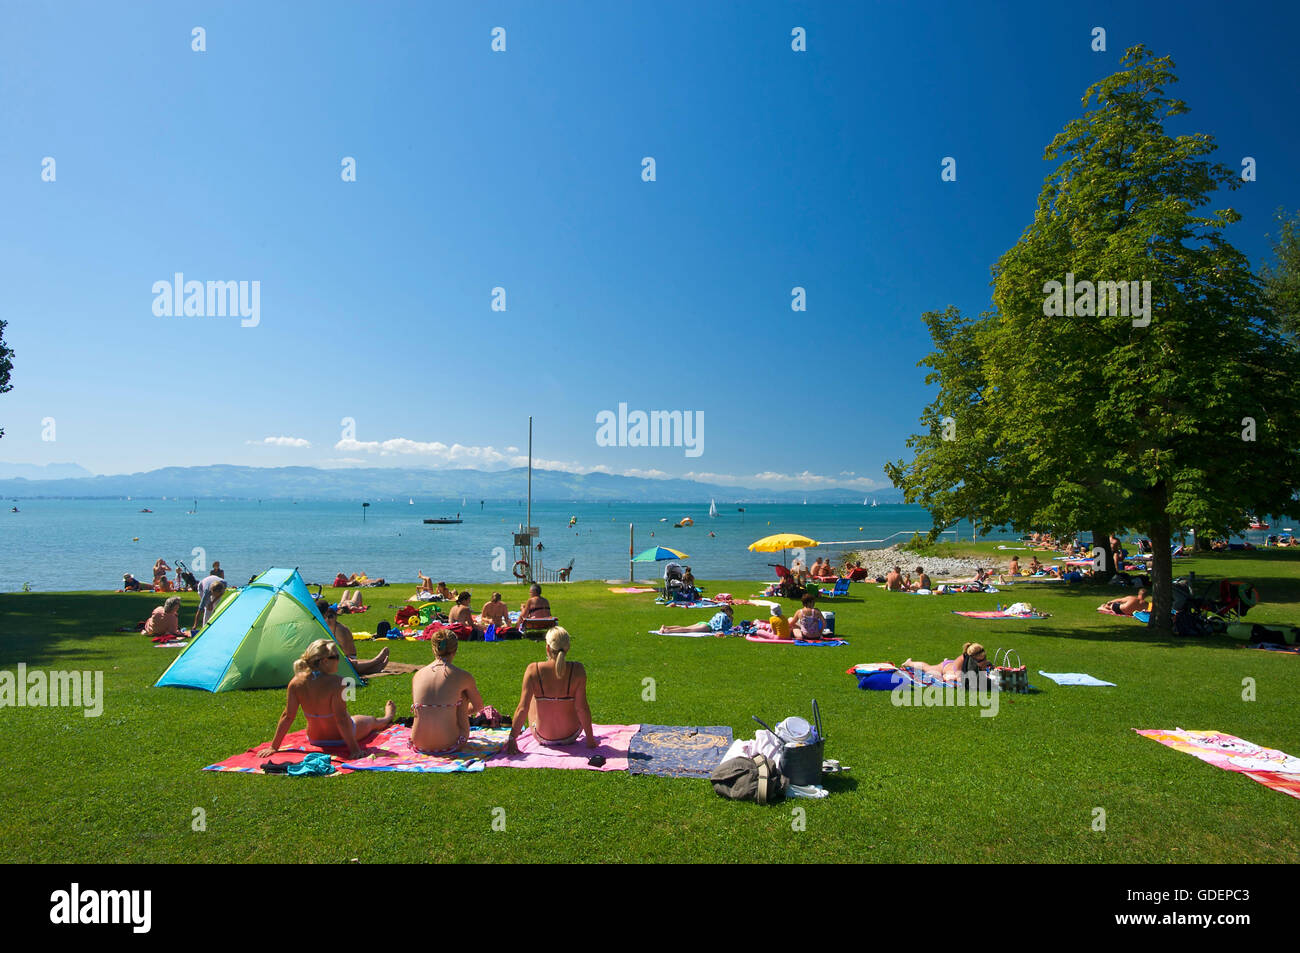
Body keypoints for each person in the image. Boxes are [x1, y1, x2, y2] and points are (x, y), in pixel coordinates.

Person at [260, 639, 395, 760]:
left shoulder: (296, 682)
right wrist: (354, 750)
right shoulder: (338, 682)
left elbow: (287, 716)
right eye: (336, 657)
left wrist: (274, 747)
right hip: (340, 738)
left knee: (351, 718)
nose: (339, 660)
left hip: (315, 739)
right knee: (371, 721)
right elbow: (341, 719)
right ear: (324, 661)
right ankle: (387, 717)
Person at [505, 627, 598, 753]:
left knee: (532, 696)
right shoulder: (578, 670)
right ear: (568, 648)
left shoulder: (533, 670)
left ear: (548, 648)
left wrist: (512, 739)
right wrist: (591, 740)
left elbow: (522, 709)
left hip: (543, 736)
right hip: (572, 735)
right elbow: (582, 708)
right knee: (572, 699)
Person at [409, 630, 485, 755]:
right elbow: (479, 706)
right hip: (450, 743)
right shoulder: (463, 676)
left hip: (419, 743)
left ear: (433, 649)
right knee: (463, 696)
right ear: (455, 651)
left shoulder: (418, 675)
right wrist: (455, 710)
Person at [316, 599, 390, 675]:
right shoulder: (331, 625)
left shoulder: (338, 629)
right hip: (340, 657)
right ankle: (375, 667)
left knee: (345, 665)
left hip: (346, 657)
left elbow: (345, 651)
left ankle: (376, 661)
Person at [903, 642, 990, 681]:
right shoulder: (962, 659)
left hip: (953, 664)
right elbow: (958, 678)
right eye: (980, 660)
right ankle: (909, 663)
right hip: (946, 667)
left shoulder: (980, 659)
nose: (983, 661)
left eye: (984, 658)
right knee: (928, 669)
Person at [659, 604, 734, 635]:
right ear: (728, 611)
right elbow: (722, 627)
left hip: (703, 623)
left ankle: (666, 627)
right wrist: (731, 621)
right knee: (687, 630)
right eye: (730, 613)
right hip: (708, 626)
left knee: (686, 627)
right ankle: (667, 631)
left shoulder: (718, 614)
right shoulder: (724, 616)